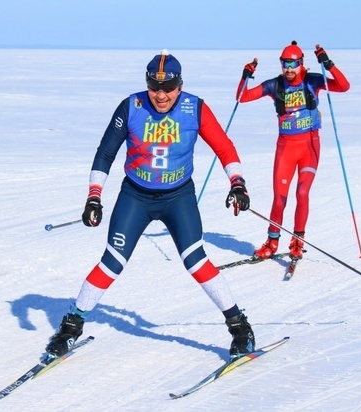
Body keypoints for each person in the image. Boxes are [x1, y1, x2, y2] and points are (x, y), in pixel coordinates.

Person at [46, 50, 255, 360]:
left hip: (177, 197)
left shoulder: (194, 108)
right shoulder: (132, 106)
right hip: (136, 196)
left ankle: (239, 327)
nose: (161, 95)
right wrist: (94, 196)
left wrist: (237, 182)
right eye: (154, 88)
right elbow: (105, 153)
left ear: (179, 86)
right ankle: (70, 327)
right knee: (112, 261)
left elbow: (224, 147)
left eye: (168, 88)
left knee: (196, 261)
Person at [237, 41, 350, 260]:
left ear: (301, 63)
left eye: (293, 64)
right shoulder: (275, 85)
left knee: (302, 193)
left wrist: (329, 64)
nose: (289, 69)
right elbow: (242, 98)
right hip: (286, 148)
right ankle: (271, 242)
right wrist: (245, 76)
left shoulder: (312, 81)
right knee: (279, 199)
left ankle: (297, 241)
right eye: (285, 64)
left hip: (309, 146)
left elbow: (344, 86)